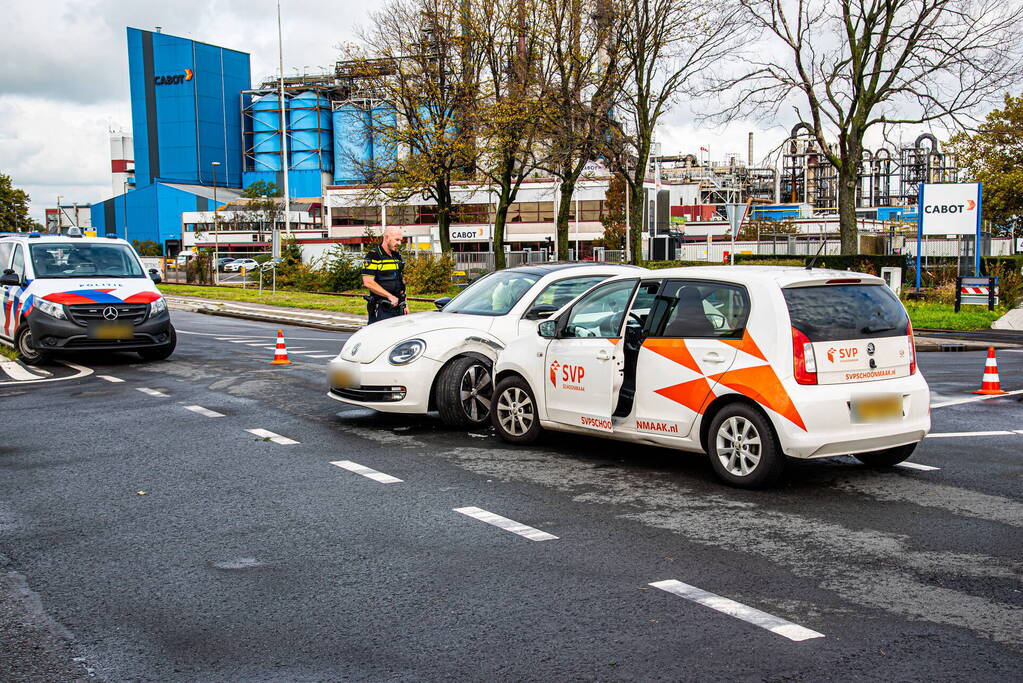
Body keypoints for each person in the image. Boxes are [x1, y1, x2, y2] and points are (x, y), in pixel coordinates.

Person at [362, 226, 407, 324]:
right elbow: (368, 282)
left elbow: (401, 282)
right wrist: (389, 296)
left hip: (398, 308)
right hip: (382, 308)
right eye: (397, 240)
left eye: (401, 240)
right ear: (386, 238)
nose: (399, 243)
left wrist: (405, 304)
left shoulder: (396, 256)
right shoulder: (374, 255)